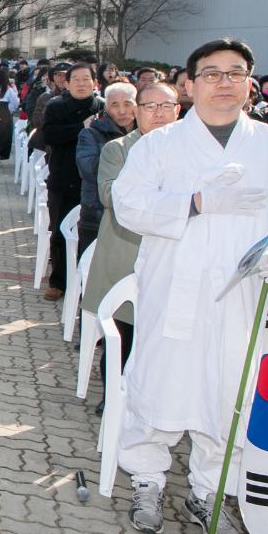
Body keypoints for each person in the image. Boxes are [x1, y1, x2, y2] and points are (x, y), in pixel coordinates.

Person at [112, 39, 268, 534]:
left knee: (228, 390)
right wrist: (197, 201)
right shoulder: (160, 145)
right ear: (191, 83)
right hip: (174, 288)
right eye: (211, 73)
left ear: (250, 82)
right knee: (160, 381)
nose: (224, 83)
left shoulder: (264, 144)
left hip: (242, 295)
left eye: (235, 73)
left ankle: (210, 489)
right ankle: (147, 479)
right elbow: (129, 206)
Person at [81, 82, 180, 414]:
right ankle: (113, 399)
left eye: (166, 107)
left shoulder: (190, 152)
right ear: (137, 113)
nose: (158, 115)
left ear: (179, 111)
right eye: (150, 107)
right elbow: (111, 197)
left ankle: (151, 404)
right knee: (123, 333)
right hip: (126, 254)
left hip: (175, 260)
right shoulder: (119, 149)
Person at [40, 62, 104, 301]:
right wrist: (81, 127)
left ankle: (86, 283)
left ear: (95, 82)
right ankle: (59, 282)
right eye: (75, 79)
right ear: (66, 84)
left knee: (92, 236)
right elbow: (50, 135)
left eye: (86, 79)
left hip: (94, 184)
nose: (81, 83)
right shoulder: (56, 107)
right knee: (60, 231)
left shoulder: (103, 108)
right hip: (63, 179)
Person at [75, 82, 136, 252]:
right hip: (97, 215)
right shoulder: (92, 133)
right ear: (106, 107)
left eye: (128, 104)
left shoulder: (148, 135)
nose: (122, 111)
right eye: (114, 105)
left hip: (136, 217)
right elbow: (89, 169)